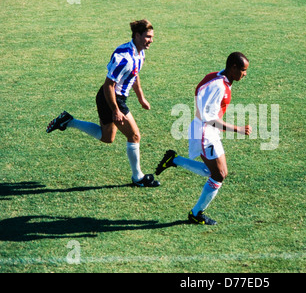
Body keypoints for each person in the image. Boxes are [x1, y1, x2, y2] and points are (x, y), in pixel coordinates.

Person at [46, 19, 160, 187]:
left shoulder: (140, 52)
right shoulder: (124, 57)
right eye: (148, 37)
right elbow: (109, 85)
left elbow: (135, 75)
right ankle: (138, 178)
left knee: (107, 137)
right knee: (134, 135)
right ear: (137, 35)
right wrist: (115, 109)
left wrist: (141, 97)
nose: (151, 40)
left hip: (112, 98)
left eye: (152, 37)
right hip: (111, 98)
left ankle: (69, 121)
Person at [155, 52, 251, 225]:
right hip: (205, 133)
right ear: (234, 67)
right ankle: (196, 213)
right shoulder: (219, 86)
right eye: (243, 70)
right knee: (219, 175)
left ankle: (174, 160)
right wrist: (238, 129)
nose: (245, 74)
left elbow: (199, 89)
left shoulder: (218, 77)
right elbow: (209, 119)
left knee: (215, 173)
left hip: (208, 131)